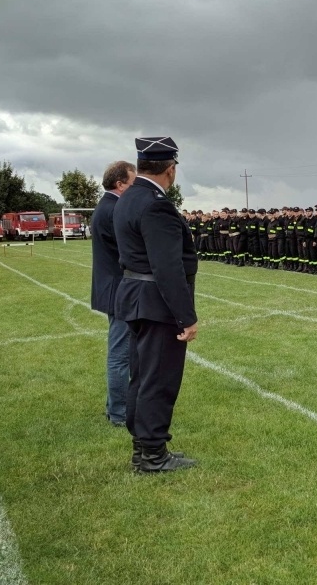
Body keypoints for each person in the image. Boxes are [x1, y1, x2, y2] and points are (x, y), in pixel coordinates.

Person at [113, 136, 198, 472]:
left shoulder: (129, 197)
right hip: (156, 303)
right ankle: (153, 454)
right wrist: (186, 317)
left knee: (142, 375)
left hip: (135, 297)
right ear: (171, 169)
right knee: (158, 378)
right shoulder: (155, 203)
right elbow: (167, 266)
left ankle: (143, 447)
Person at [91, 160, 136, 427]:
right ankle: (119, 413)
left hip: (113, 287)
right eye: (132, 183)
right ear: (120, 184)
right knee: (120, 354)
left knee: (121, 352)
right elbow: (128, 251)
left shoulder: (106, 206)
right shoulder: (114, 209)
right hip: (118, 289)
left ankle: (115, 408)